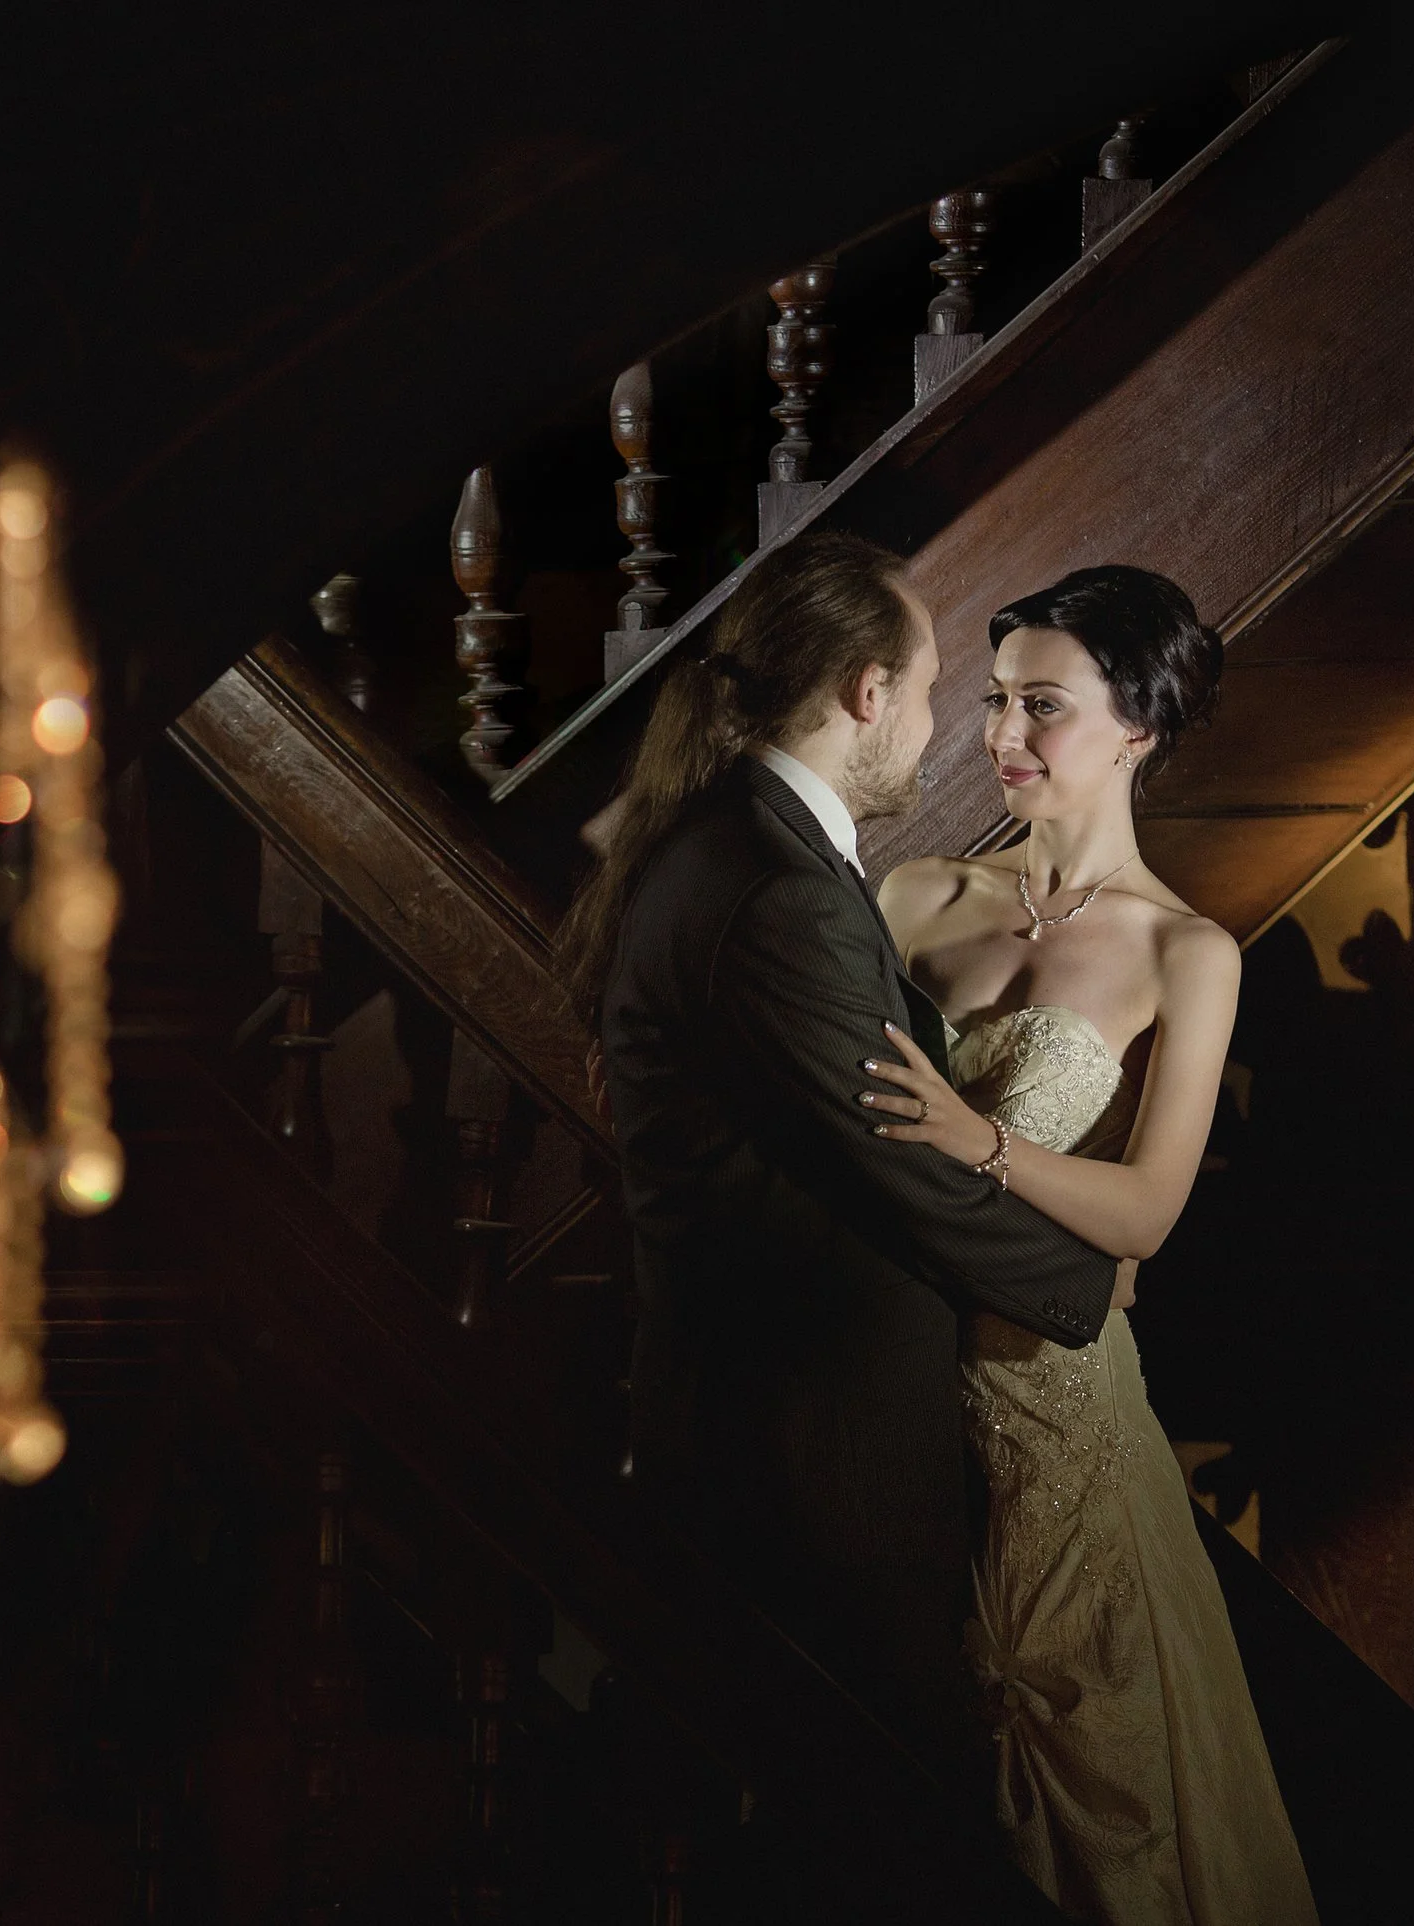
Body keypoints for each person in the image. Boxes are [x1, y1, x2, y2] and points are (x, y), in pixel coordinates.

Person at [562, 531, 1121, 1782]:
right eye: (926, 692)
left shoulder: (741, 845)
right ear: (865, 693)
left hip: (781, 1426)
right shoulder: (772, 881)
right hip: (810, 1454)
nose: (935, 727)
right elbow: (894, 1156)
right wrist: (1087, 1283)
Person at [862, 565, 1317, 1923]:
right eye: (995, 700)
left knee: (1106, 1812)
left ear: (1138, 724)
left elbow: (1146, 1215)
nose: (1001, 732)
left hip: (1063, 1427)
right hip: (895, 1399)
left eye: (1041, 704)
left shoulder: (1189, 952)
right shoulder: (911, 897)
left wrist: (971, 1135)